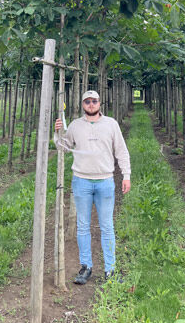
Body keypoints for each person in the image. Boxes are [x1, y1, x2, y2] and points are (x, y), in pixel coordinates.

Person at [54, 89, 131, 285]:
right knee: (83, 226)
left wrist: (126, 175)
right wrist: (58, 132)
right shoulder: (75, 126)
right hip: (82, 181)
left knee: (107, 227)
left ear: (99, 103)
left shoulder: (111, 124)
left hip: (105, 181)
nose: (91, 104)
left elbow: (121, 151)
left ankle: (110, 270)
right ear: (82, 104)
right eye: (87, 101)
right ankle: (86, 267)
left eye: (94, 101)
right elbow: (63, 147)